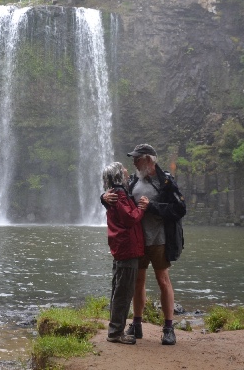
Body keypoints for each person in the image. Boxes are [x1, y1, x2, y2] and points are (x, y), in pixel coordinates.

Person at [102, 144, 186, 346]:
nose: (133, 162)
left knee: (163, 280)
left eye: (137, 158)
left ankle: (168, 328)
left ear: (149, 160)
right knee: (137, 282)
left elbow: (180, 208)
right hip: (136, 242)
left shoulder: (165, 181)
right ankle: (136, 324)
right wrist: (103, 198)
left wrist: (153, 206)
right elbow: (118, 200)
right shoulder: (132, 180)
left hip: (159, 240)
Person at [101, 162, 149, 345]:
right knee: (123, 291)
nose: (127, 171)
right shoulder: (119, 195)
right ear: (118, 175)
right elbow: (130, 218)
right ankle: (115, 333)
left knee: (120, 289)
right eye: (123, 170)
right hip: (127, 248)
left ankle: (115, 329)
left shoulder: (116, 193)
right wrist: (142, 209)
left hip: (123, 248)